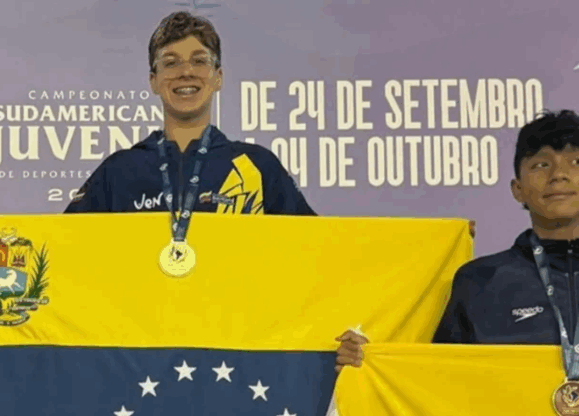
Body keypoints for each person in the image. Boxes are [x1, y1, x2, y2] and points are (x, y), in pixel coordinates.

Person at [335, 109, 579, 370]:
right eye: (541, 164)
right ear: (517, 190)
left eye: (576, 162)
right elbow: (439, 381)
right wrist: (372, 363)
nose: (559, 174)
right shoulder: (479, 282)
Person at [63, 11, 315, 216]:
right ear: (153, 80)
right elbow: (62, 250)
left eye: (199, 60)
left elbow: (316, 248)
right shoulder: (118, 171)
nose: (186, 71)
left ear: (218, 77)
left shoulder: (258, 167)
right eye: (171, 62)